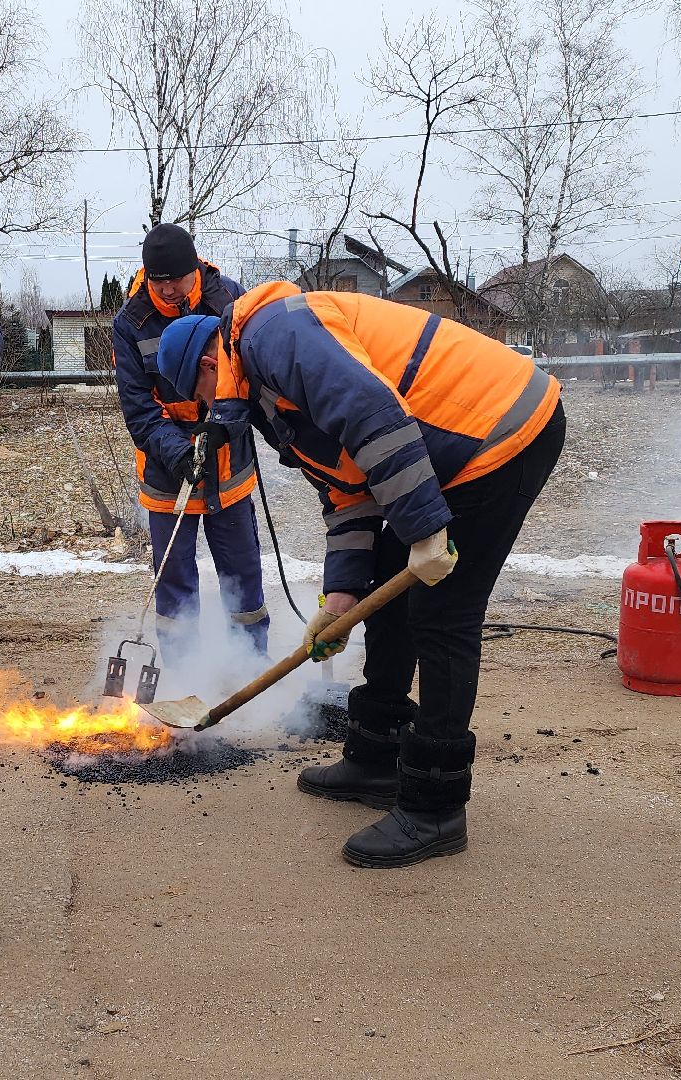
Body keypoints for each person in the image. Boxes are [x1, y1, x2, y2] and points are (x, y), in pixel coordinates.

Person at [155, 282, 565, 868]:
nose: (206, 407)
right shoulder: (268, 397)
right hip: (436, 452)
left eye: (197, 393)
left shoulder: (273, 334)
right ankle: (377, 755)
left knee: (442, 613)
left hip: (496, 432)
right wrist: (344, 595)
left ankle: (435, 806)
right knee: (387, 594)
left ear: (206, 363)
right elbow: (346, 489)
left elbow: (373, 414)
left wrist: (424, 532)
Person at [111, 223, 269, 668]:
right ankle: (183, 676)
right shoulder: (130, 322)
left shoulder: (229, 301)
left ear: (194, 269)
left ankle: (253, 675)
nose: (167, 290)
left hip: (227, 462)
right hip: (165, 467)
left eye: (175, 281)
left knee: (242, 574)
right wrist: (178, 451)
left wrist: (223, 424)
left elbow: (249, 376)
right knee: (175, 582)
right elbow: (138, 409)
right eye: (158, 282)